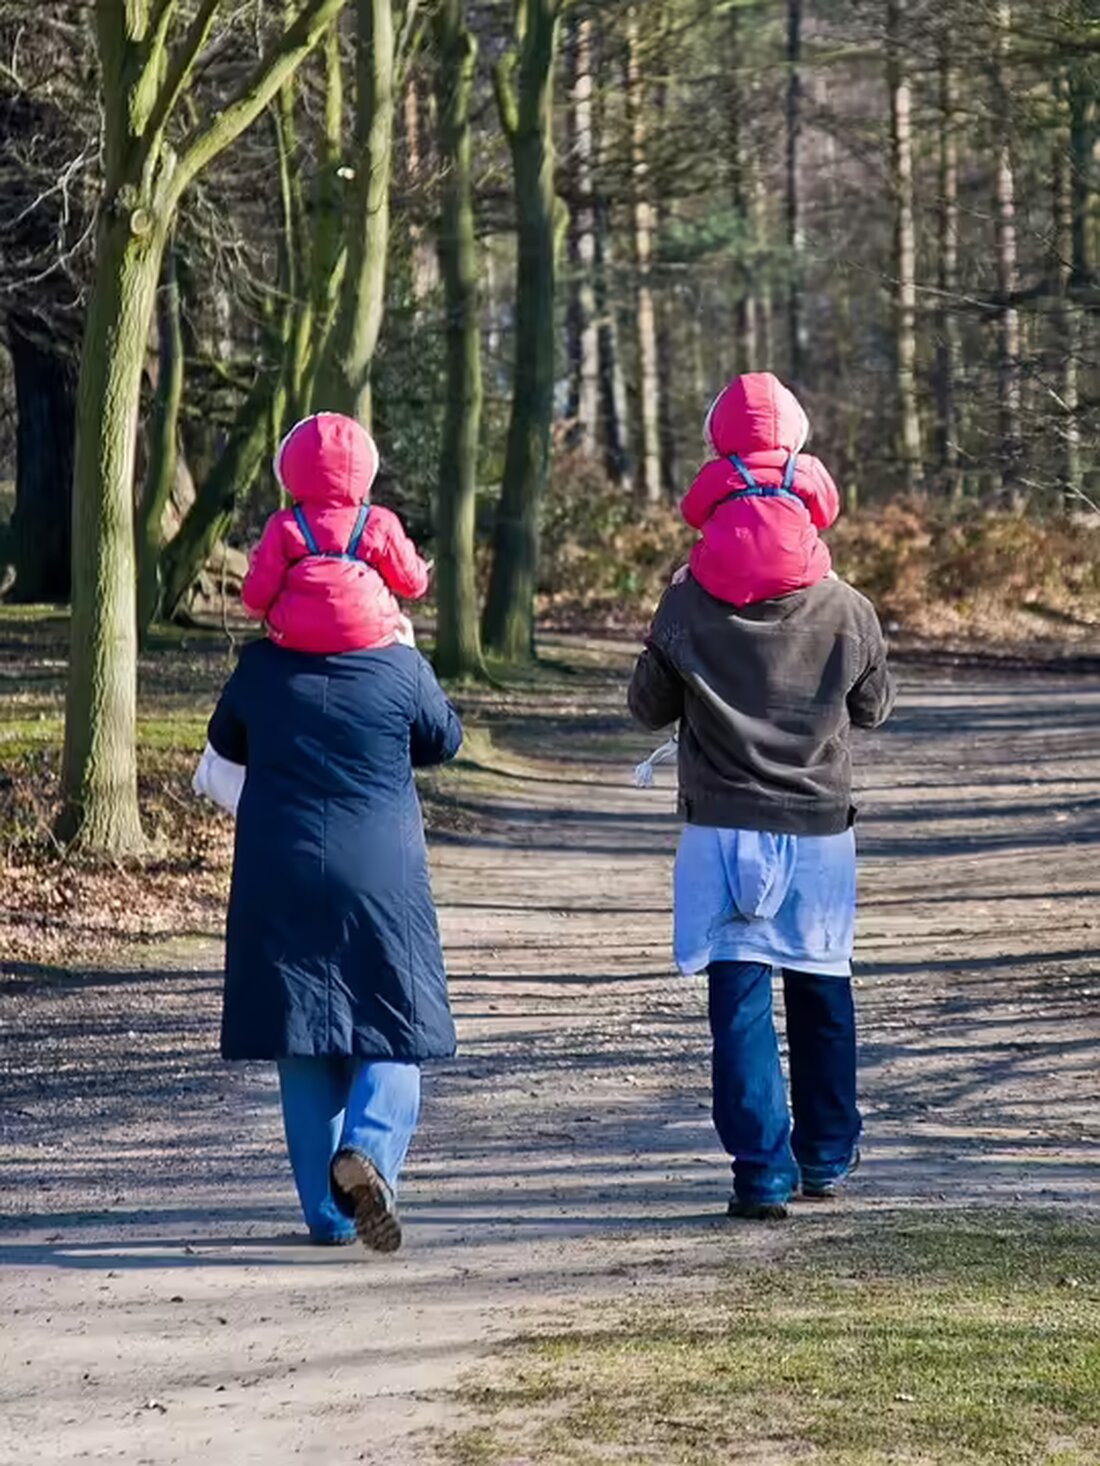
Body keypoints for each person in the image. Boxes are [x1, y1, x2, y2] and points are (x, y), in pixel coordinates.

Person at [628, 544, 895, 1220]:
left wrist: (673, 618)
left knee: (740, 999)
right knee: (823, 988)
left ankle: (761, 1173)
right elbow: (874, 708)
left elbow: (647, 705)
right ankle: (827, 1155)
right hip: (818, 826)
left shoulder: (687, 601)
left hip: (721, 826)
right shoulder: (845, 605)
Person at [206, 635, 462, 1250]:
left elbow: (225, 741)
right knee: (399, 1027)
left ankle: (329, 1215)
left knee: (301, 1043)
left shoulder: (261, 666)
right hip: (379, 872)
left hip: (280, 870)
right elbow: (444, 738)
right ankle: (367, 1152)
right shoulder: (399, 664)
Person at [241, 412, 430, 654]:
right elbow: (412, 585)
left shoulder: (282, 525)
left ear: (288, 465)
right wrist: (419, 567)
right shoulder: (380, 522)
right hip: (370, 638)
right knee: (416, 674)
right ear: (366, 465)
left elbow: (255, 600)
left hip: (295, 639)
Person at [680, 371, 839, 608]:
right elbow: (827, 516)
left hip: (725, 575)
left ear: (718, 426)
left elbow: (691, 514)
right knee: (829, 577)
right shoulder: (806, 469)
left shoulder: (718, 473)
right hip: (797, 570)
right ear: (795, 424)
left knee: (682, 580)